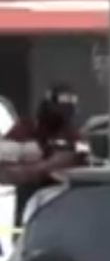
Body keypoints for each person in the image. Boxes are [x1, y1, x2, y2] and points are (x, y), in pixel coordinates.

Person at [0, 85, 86, 226]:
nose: (66, 112)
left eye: (70, 106)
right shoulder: (25, 130)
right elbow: (4, 171)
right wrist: (45, 168)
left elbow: (81, 163)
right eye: (61, 106)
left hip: (62, 201)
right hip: (30, 200)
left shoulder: (73, 136)